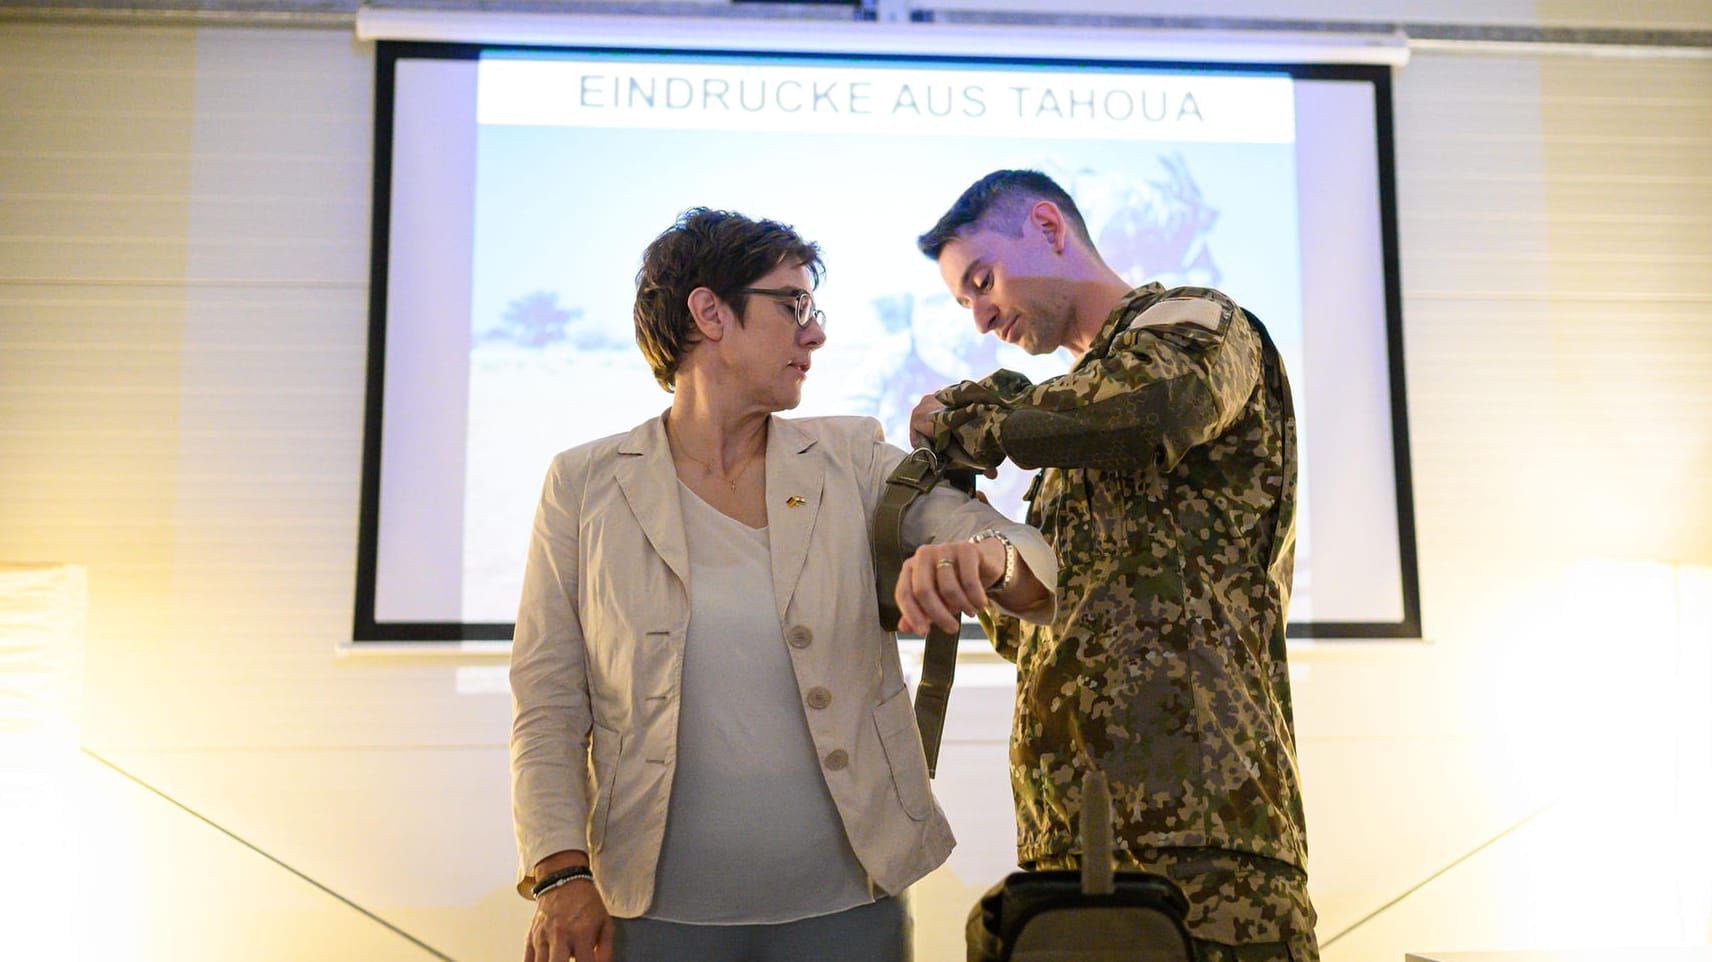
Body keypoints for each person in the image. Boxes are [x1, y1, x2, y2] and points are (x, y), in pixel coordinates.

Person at [509, 207, 1057, 962]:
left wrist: (987, 559)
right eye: (792, 305)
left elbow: (1024, 555)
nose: (815, 332)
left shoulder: (854, 458)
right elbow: (547, 700)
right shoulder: (585, 484)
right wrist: (558, 874)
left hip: (848, 908)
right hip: (652, 915)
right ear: (709, 313)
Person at [909, 170, 1318, 962]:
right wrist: (979, 571)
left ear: (1048, 228)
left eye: (983, 280)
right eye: (964, 303)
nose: (982, 315)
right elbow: (1062, 629)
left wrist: (978, 420)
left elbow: (1156, 407)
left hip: (1207, 845)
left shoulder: (1198, 327)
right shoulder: (1069, 441)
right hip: (1072, 846)